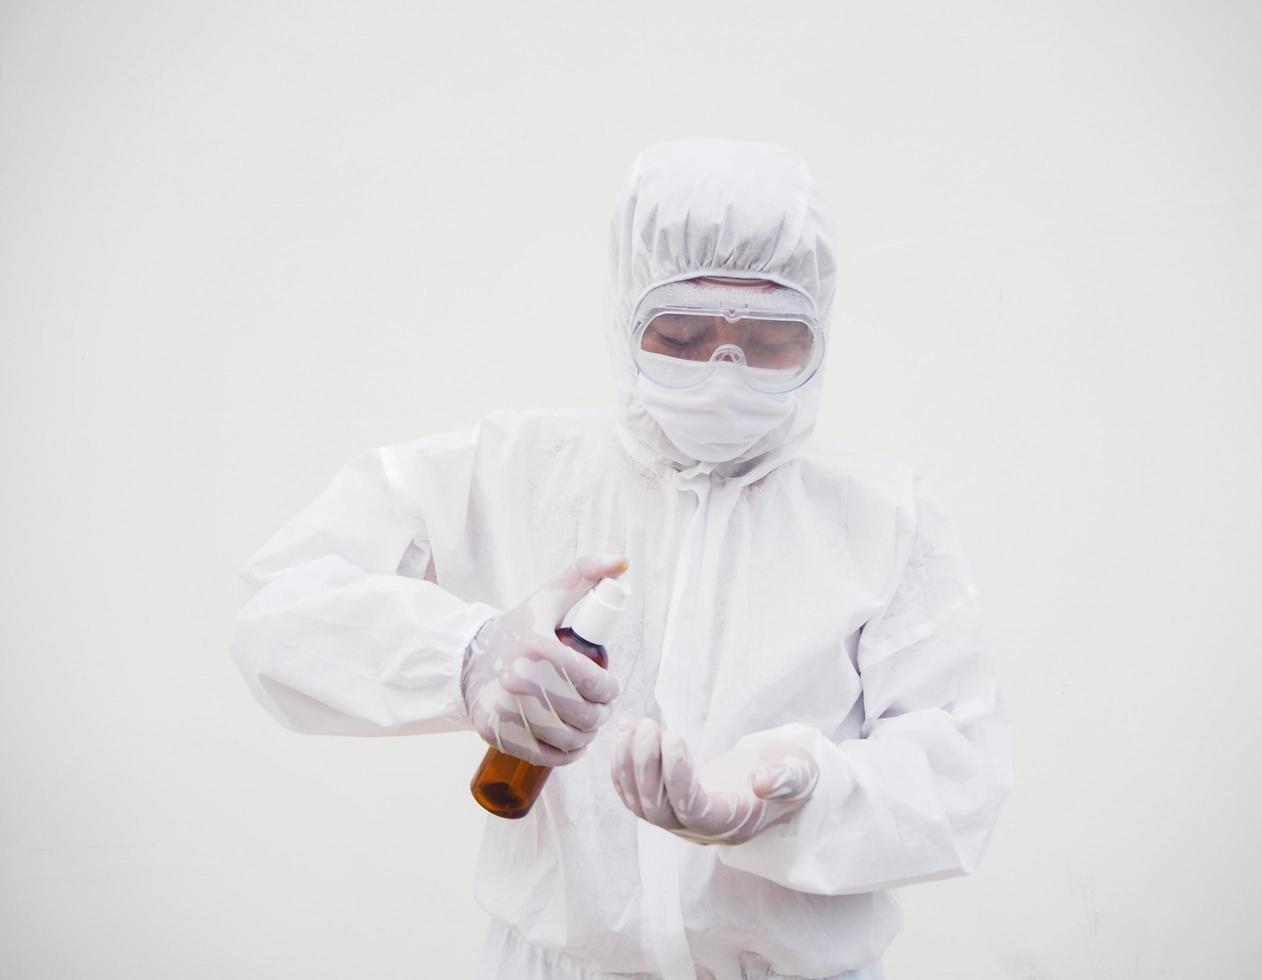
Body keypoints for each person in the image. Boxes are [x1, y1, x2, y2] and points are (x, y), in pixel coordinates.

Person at [231, 139, 1014, 980]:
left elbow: (957, 774)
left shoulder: (881, 517)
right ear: (625, 316)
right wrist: (467, 658)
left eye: (771, 339)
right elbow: (280, 613)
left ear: (818, 329)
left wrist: (792, 792)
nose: (725, 368)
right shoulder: (520, 471)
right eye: (679, 332)